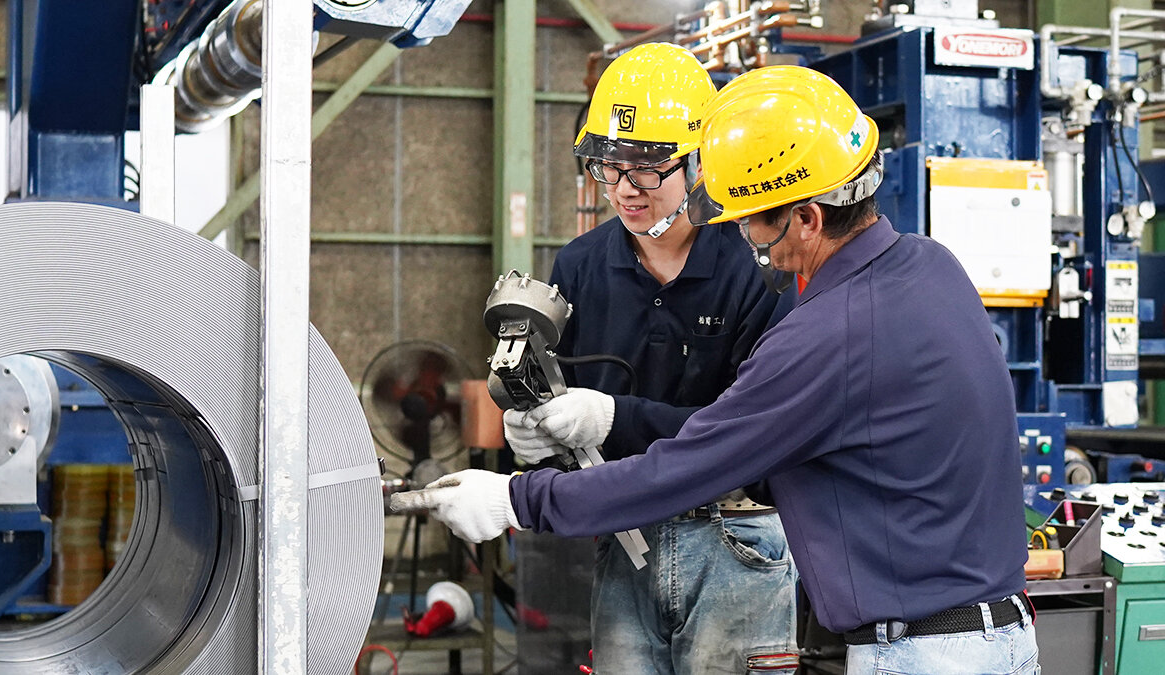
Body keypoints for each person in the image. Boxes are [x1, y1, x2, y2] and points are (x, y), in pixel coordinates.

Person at [394, 65, 1039, 675]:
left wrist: (516, 500)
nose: (754, 244)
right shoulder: (933, 266)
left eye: (755, 224)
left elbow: (694, 463)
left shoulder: (828, 333)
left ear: (808, 216)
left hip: (919, 651)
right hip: (993, 635)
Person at [502, 43, 798, 674]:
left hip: (738, 540)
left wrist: (614, 418)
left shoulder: (760, 266)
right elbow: (569, 417)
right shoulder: (580, 267)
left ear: (700, 164)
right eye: (606, 168)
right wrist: (535, 433)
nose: (623, 191)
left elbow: (753, 441)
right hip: (625, 537)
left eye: (647, 170)